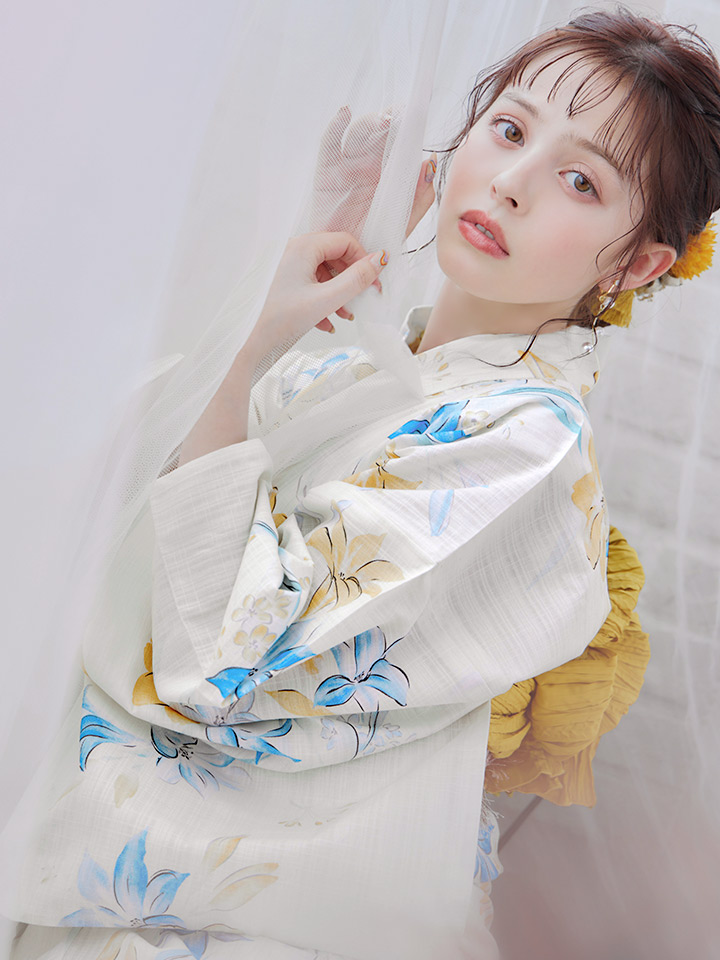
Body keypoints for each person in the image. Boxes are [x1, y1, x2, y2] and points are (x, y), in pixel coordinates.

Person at [5, 6, 720, 960]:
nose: (510, 184)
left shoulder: (530, 447)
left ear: (635, 264)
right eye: (510, 129)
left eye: (580, 180)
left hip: (260, 924)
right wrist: (273, 297)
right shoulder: (365, 363)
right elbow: (111, 493)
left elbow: (225, 665)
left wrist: (245, 353)